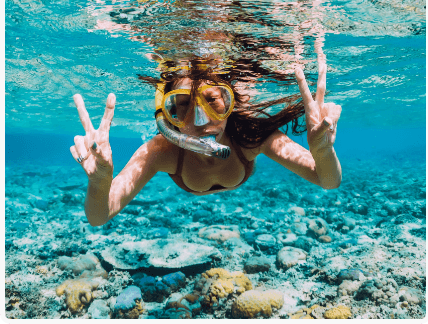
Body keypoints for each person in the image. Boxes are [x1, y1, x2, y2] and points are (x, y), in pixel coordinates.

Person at [71, 61, 342, 227]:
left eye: (212, 100)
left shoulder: (249, 138)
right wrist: (99, 183)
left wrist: (323, 152)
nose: (200, 122)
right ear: (169, 115)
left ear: (229, 104)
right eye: (185, 104)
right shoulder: (161, 151)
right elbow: (98, 216)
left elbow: (328, 180)